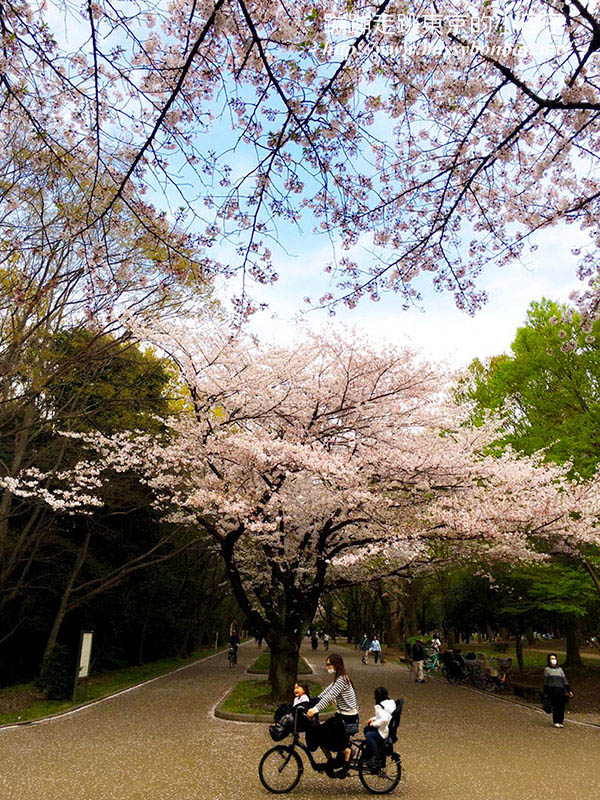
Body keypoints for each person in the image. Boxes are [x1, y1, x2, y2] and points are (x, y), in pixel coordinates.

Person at [306, 653, 359, 779]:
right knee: (319, 733)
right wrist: (313, 701)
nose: (327, 667)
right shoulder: (339, 679)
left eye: (329, 664)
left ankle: (347, 752)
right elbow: (326, 692)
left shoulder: (342, 680)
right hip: (342, 716)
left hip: (348, 720)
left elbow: (330, 697)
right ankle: (331, 762)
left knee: (323, 735)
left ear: (336, 664)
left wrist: (315, 709)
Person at [363, 686, 396, 769]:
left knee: (369, 735)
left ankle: (376, 755)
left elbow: (384, 719)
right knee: (367, 729)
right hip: (388, 728)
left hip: (383, 731)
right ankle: (371, 751)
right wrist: (373, 719)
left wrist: (374, 724)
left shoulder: (379, 706)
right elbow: (387, 715)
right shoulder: (391, 703)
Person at [543, 653, 573, 728]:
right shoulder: (547, 669)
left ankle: (560, 721)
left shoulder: (560, 669)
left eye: (554, 658)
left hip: (560, 690)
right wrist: (545, 692)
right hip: (552, 690)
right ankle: (556, 721)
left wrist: (569, 690)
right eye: (551, 658)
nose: (553, 660)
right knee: (556, 707)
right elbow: (546, 682)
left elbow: (564, 681)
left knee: (561, 707)